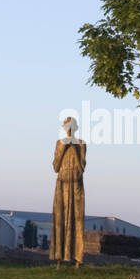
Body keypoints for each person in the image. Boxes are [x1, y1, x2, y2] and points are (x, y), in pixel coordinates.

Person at [50, 115, 86, 268]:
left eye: (71, 126)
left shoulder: (81, 144)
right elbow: (55, 167)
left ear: (75, 128)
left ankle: (77, 258)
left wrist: (75, 148)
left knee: (77, 219)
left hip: (76, 184)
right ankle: (59, 257)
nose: (69, 129)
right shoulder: (60, 143)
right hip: (62, 183)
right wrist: (64, 147)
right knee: (60, 218)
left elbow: (82, 167)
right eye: (67, 126)